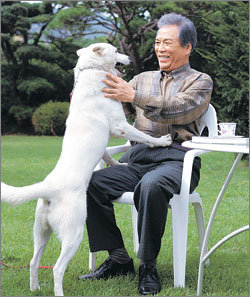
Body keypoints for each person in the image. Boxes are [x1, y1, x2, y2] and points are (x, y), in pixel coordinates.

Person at [78, 13, 213, 295]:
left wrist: (133, 96)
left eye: (168, 42)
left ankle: (147, 265)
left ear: (187, 47)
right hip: (138, 159)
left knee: (151, 186)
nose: (160, 48)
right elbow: (112, 107)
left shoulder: (200, 81)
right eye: (157, 42)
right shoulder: (141, 78)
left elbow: (180, 109)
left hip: (177, 160)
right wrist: (86, 94)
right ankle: (118, 258)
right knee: (88, 183)